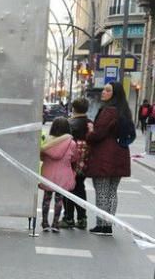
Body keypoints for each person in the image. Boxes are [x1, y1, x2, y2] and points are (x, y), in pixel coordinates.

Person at [85, 82, 132, 236]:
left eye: (107, 90)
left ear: (114, 93)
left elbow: (98, 134)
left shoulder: (108, 111)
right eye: (104, 90)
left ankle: (102, 225)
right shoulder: (124, 110)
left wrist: (91, 131)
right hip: (120, 153)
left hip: (105, 154)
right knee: (112, 191)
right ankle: (108, 224)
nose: (103, 92)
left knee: (102, 191)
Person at [39, 117, 79, 233]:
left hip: (48, 173)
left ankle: (45, 223)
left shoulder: (47, 142)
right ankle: (56, 224)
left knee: (46, 198)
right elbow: (75, 158)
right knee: (59, 199)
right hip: (63, 174)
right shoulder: (71, 143)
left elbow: (42, 157)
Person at [59, 97, 91, 230]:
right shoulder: (90, 123)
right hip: (85, 163)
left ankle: (68, 217)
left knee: (68, 189)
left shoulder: (69, 123)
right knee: (80, 188)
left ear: (73, 108)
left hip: (70, 162)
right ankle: (82, 218)